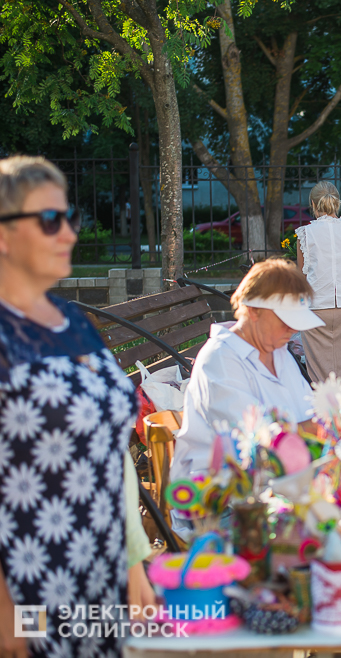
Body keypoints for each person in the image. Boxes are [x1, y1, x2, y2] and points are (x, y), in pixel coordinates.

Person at [0, 156, 154, 657]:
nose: (67, 232)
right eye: (49, 221)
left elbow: (113, 456)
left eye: (71, 218)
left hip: (101, 585)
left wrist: (134, 563)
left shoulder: (75, 323)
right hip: (31, 592)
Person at [172, 259, 324, 483]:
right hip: (222, 497)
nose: (293, 329)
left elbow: (308, 412)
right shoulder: (219, 360)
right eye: (285, 320)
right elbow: (256, 443)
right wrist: (322, 427)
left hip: (279, 479)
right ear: (253, 312)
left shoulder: (278, 351)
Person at [296, 181, 341, 384]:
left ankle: (325, 413)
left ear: (313, 204)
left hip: (317, 308)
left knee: (320, 379)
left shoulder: (306, 234)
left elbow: (302, 277)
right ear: (337, 202)